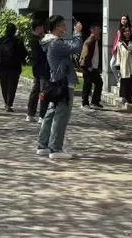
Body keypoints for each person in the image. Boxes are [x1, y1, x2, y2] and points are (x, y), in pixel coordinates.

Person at [36, 16, 83, 160]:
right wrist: (78, 33)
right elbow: (75, 47)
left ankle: (43, 145)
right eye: (63, 26)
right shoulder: (56, 43)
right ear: (56, 27)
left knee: (51, 114)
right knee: (61, 116)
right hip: (63, 83)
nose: (65, 28)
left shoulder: (50, 42)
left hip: (56, 82)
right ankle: (56, 148)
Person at [0, 24, 28, 112]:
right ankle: (9, 104)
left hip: (2, 66)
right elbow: (24, 53)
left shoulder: (1, 40)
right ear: (14, 31)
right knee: (12, 86)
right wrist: (19, 59)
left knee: (4, 85)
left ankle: (6, 103)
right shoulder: (18, 41)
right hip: (15, 67)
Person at [26, 19, 49, 122]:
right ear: (38, 27)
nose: (43, 29)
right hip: (42, 69)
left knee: (36, 91)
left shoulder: (38, 38)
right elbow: (39, 55)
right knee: (42, 92)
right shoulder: (35, 40)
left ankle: (31, 114)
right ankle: (41, 115)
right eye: (42, 27)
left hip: (38, 69)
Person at [113, 25, 132, 107]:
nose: (127, 33)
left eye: (128, 31)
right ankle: (123, 98)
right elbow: (119, 55)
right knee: (124, 82)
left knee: (130, 82)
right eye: (125, 31)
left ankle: (129, 98)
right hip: (123, 65)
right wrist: (118, 64)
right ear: (123, 33)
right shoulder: (120, 43)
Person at [79, 24, 105, 108]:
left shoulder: (96, 40)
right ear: (92, 31)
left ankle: (94, 102)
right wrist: (88, 66)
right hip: (88, 67)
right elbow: (85, 54)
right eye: (97, 29)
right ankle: (85, 102)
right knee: (88, 84)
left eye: (99, 29)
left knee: (99, 83)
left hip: (94, 67)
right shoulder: (90, 41)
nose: (99, 31)